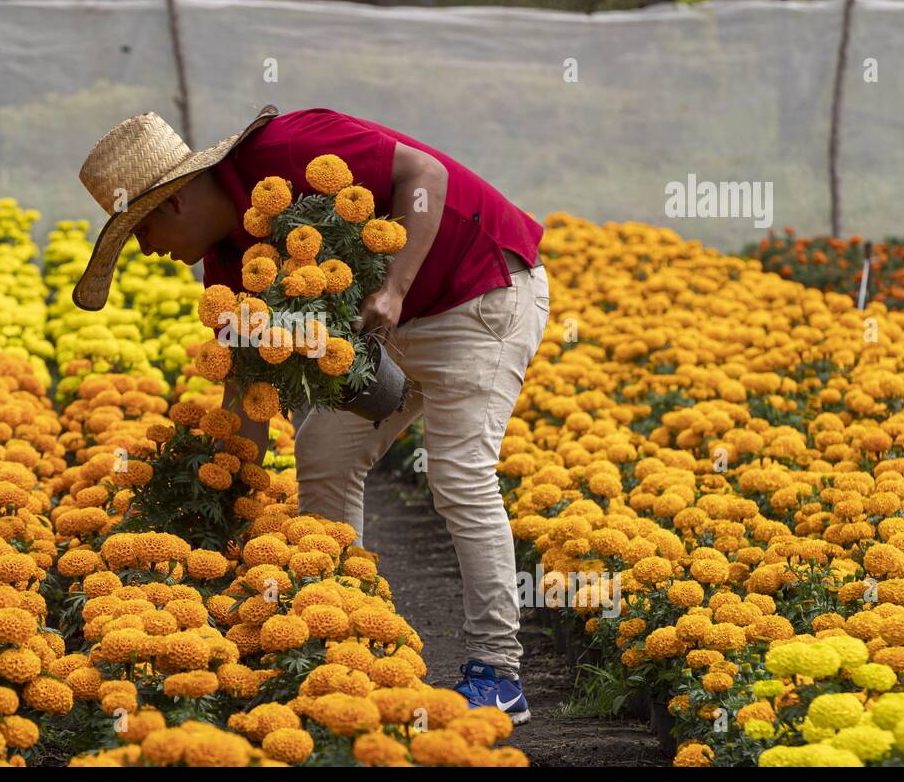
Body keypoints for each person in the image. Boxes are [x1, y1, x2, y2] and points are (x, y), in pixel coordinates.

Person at [73, 105, 548, 722]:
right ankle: (341, 638)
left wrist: (395, 288)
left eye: (140, 233)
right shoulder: (228, 261)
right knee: (323, 455)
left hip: (475, 293)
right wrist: (225, 498)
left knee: (458, 476)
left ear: (173, 205)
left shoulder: (291, 147)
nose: (149, 252)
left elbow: (427, 176)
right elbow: (246, 392)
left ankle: (496, 671)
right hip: (385, 327)